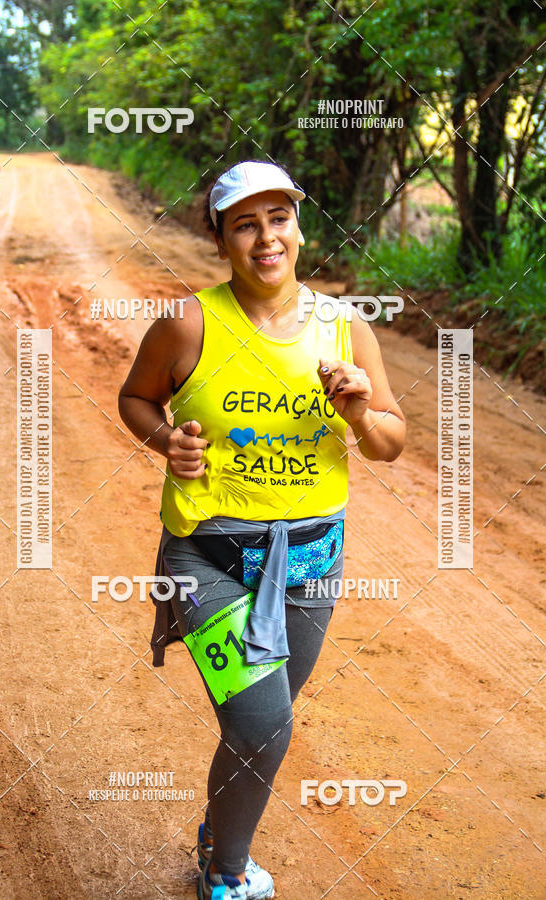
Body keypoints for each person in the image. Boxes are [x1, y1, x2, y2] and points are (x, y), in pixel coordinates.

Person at [118, 159, 406, 899]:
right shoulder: (188, 323)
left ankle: (222, 827)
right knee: (261, 726)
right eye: (245, 223)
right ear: (220, 239)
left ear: (299, 228)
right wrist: (165, 441)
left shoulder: (344, 327)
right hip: (205, 557)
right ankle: (226, 874)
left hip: (311, 562)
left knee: (259, 729)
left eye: (279, 218)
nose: (266, 236)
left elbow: (390, 442)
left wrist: (358, 412)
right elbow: (136, 398)